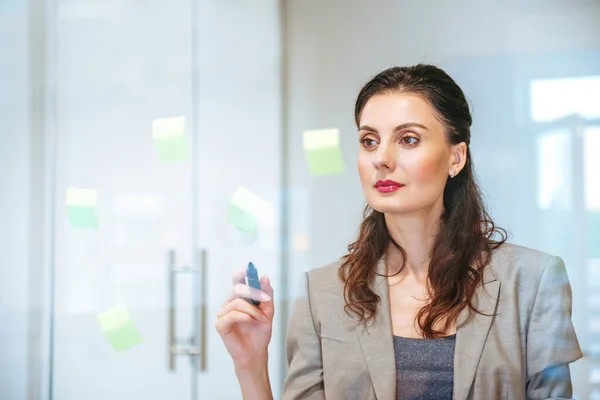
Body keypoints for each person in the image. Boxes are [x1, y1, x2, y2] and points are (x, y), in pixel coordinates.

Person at [215, 64, 583, 400]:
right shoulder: (321, 293)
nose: (381, 158)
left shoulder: (533, 282)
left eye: (408, 139)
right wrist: (250, 365)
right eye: (369, 141)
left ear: (456, 157)